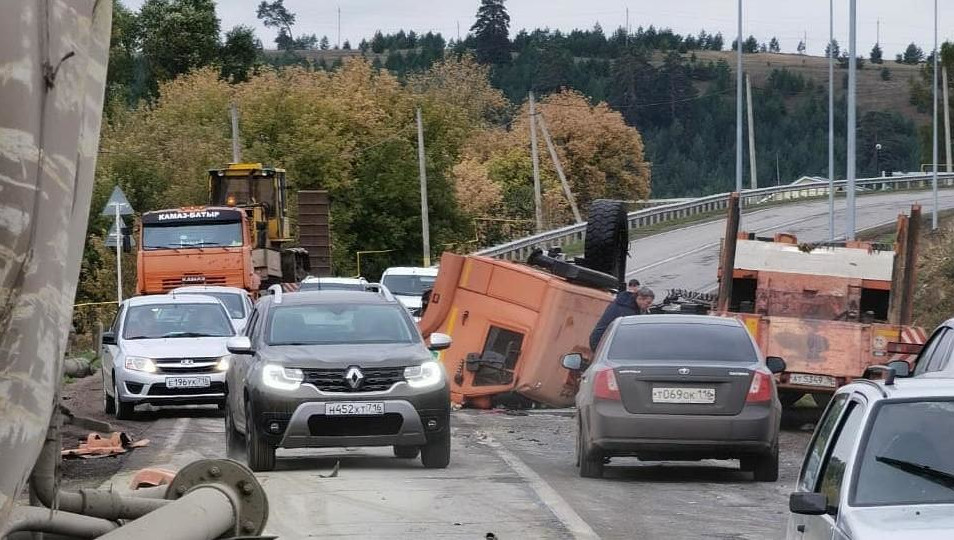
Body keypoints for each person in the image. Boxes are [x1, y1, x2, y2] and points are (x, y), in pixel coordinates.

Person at [589, 286, 655, 351]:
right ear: (640, 298)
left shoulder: (625, 302)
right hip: (601, 343)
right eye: (648, 303)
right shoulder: (627, 312)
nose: (649, 305)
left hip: (602, 339)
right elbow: (631, 334)